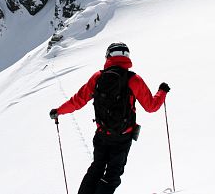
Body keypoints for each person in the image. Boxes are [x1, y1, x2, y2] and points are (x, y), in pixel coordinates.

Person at [49, 42, 170, 194]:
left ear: (109, 56)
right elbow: (151, 106)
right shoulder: (134, 80)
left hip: (101, 134)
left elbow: (78, 101)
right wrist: (162, 92)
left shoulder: (98, 77)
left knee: (96, 168)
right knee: (112, 174)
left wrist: (59, 111)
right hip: (122, 137)